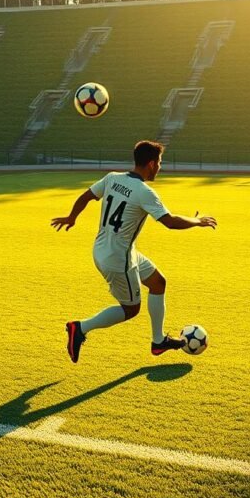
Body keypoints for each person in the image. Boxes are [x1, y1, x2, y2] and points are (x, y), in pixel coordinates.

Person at [51, 140, 217, 363]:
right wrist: (197, 221)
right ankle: (79, 328)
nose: (160, 167)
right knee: (130, 309)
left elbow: (86, 196)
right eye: (159, 162)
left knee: (158, 283)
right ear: (150, 164)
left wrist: (72, 217)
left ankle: (158, 342)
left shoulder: (112, 178)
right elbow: (170, 222)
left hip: (106, 249)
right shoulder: (144, 191)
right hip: (118, 259)